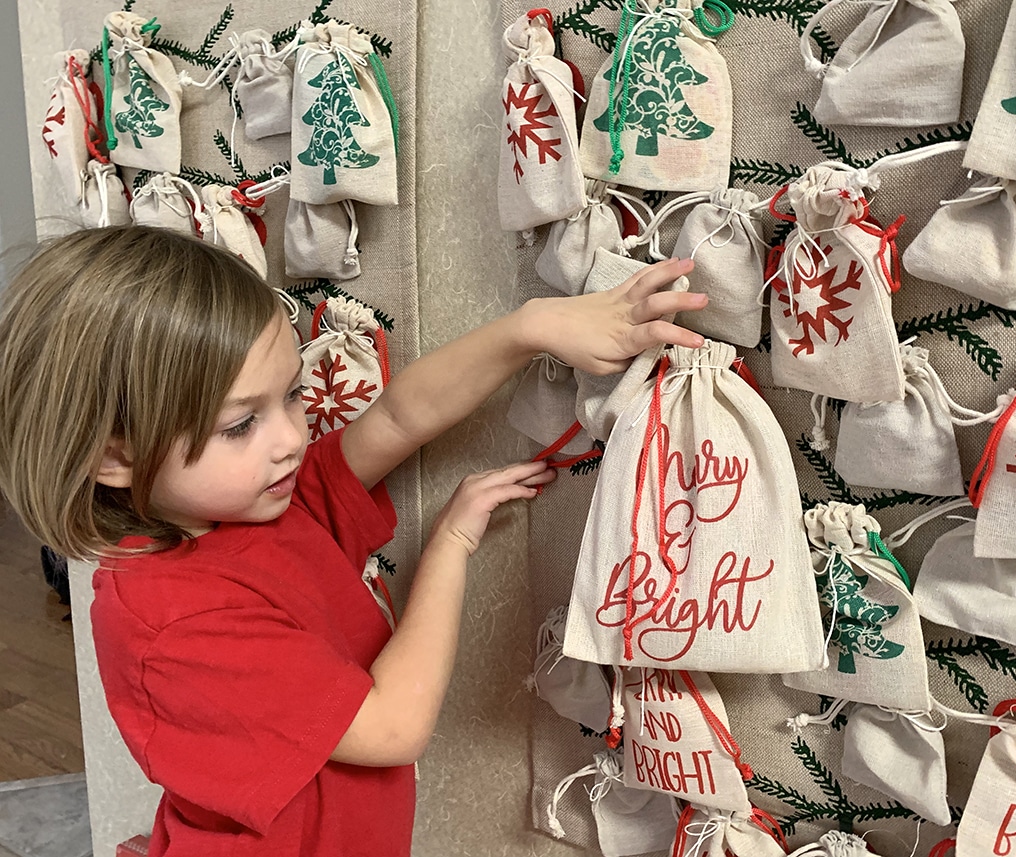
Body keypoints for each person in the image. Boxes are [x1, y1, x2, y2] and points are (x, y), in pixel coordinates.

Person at [0, 226, 705, 856]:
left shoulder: (256, 505)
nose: (289, 438)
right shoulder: (171, 617)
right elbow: (393, 725)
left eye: (292, 396)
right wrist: (450, 545)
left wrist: (532, 327)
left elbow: (397, 418)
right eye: (240, 424)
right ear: (114, 457)